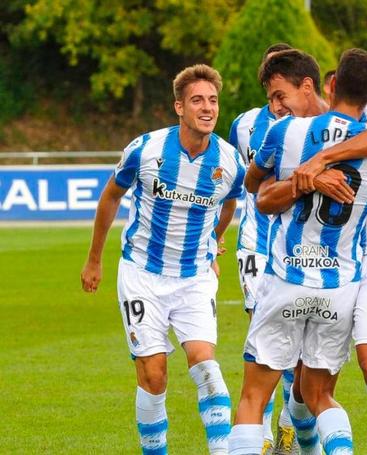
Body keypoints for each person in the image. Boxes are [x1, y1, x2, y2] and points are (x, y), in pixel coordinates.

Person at [228, 48, 367, 455]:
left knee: (253, 396)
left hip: (287, 280)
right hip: (341, 286)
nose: (275, 106)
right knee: (320, 394)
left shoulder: (285, 132)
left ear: (328, 84)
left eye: (279, 95)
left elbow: (256, 191)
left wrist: (308, 172)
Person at [80, 64, 245, 455]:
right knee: (154, 377)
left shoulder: (230, 161)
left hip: (193, 277)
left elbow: (229, 204)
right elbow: (111, 197)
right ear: (179, 107)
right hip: (142, 274)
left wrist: (214, 243)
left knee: (205, 364)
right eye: (197, 101)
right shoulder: (146, 149)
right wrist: (94, 260)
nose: (207, 108)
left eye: (213, 100)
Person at [227, 42, 298, 454]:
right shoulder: (243, 124)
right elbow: (236, 183)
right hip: (255, 245)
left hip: (297, 250)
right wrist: (216, 233)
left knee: (297, 344)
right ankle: (266, 436)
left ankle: (289, 424)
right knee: (263, 338)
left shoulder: (311, 124)